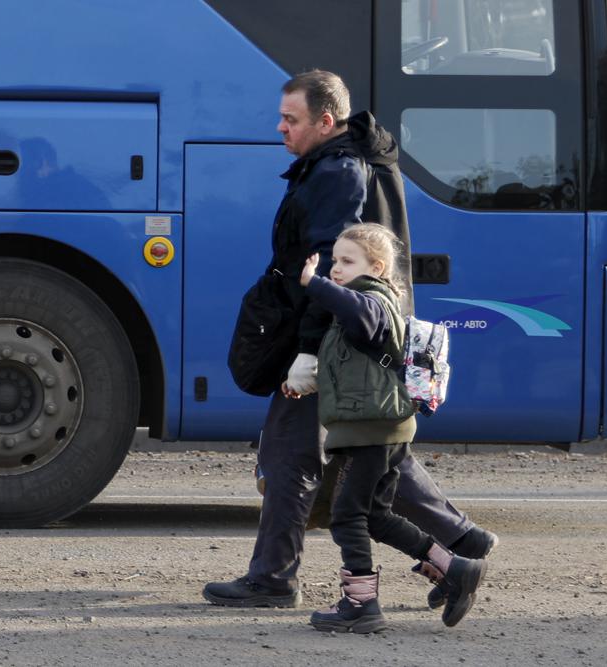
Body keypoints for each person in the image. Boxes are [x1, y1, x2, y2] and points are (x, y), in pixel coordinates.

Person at [203, 70, 496, 609]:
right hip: (353, 337)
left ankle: (273, 578)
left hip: (338, 340)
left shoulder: (338, 173)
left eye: (291, 119)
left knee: (293, 453)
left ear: (325, 121)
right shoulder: (347, 162)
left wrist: (308, 353)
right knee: (373, 448)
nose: (280, 129)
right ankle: (462, 542)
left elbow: (327, 270)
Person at [299, 223, 486, 631]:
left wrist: (314, 283)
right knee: (377, 517)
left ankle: (361, 603)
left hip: (372, 431)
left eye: (348, 261)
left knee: (346, 515)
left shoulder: (373, 300)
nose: (336, 268)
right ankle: (454, 569)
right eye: (334, 260)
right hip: (375, 427)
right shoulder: (357, 303)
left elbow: (362, 316)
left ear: (378, 268)